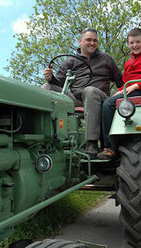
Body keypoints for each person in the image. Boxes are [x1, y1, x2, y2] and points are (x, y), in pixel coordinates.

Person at [42, 28, 123, 158]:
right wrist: (50, 78)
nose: (92, 43)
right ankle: (41, 137)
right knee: (47, 87)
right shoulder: (70, 61)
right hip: (76, 98)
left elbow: (121, 81)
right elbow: (59, 83)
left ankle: (91, 143)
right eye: (88, 40)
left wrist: (120, 93)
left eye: (95, 40)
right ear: (80, 41)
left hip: (99, 97)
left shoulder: (106, 59)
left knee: (89, 90)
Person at [97, 27, 141, 160]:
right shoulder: (128, 63)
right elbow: (125, 82)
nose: (135, 45)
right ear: (128, 44)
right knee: (106, 103)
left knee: (108, 104)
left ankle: (108, 147)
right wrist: (119, 92)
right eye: (131, 43)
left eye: (138, 42)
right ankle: (103, 143)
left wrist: (137, 85)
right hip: (129, 92)